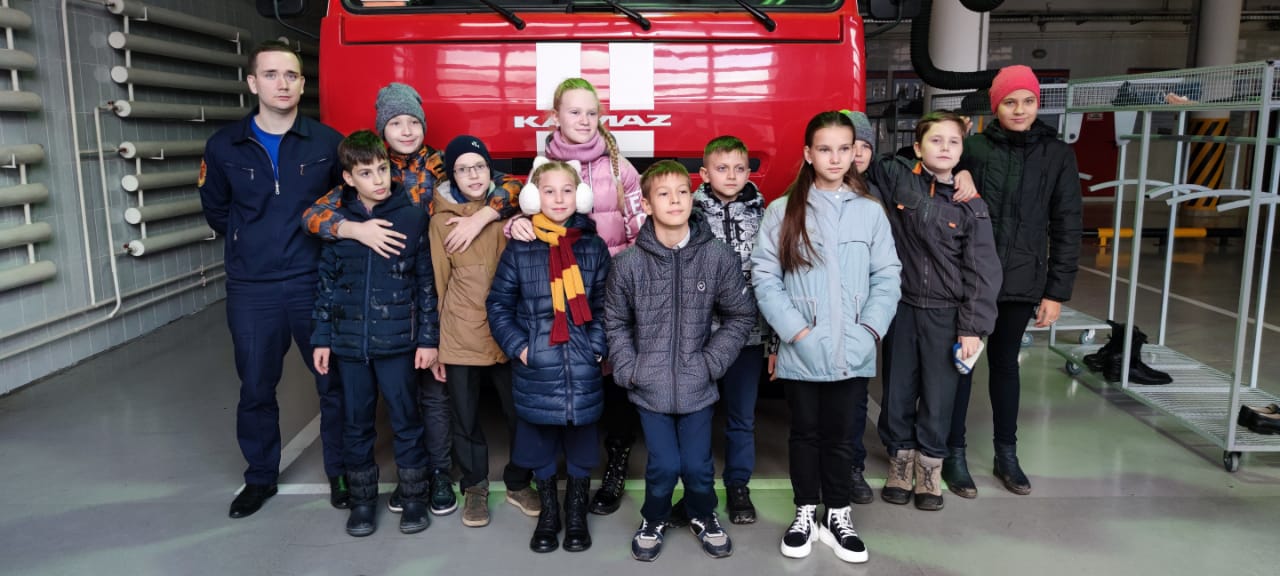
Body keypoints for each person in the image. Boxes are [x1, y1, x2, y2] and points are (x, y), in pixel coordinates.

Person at [301, 82, 525, 517]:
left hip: (436, 288)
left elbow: (510, 186)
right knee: (396, 402)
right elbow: (313, 215)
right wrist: (354, 229)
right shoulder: (372, 168)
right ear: (382, 130)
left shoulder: (443, 164)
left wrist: (483, 215)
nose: (406, 130)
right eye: (396, 123)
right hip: (390, 300)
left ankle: (439, 473)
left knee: (434, 395)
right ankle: (405, 480)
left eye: (413, 122)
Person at [199, 40, 346, 519]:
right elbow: (218, 210)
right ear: (252, 83)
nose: (282, 84)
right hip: (253, 287)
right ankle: (260, 476)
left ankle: (342, 472)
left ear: (302, 84)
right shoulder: (224, 146)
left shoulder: (327, 143)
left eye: (291, 75)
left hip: (314, 282)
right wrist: (253, 242)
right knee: (257, 386)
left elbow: (342, 206)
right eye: (271, 74)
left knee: (334, 383)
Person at [751, 111, 900, 565]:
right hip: (803, 349)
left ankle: (838, 515)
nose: (835, 158)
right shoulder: (782, 211)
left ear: (855, 153)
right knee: (805, 434)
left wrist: (869, 329)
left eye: (844, 149)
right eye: (825, 149)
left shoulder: (870, 212)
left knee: (843, 436)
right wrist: (796, 330)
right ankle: (805, 513)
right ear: (808, 154)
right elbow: (764, 277)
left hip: (853, 349)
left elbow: (887, 275)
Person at [605, 161, 756, 562]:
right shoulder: (628, 264)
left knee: (697, 466)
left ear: (692, 198)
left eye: (683, 192)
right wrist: (630, 369)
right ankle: (653, 518)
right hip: (649, 386)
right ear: (646, 204)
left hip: (697, 384)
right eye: (664, 193)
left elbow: (740, 315)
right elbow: (615, 322)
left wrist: (710, 363)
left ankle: (702, 514)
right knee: (664, 465)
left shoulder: (716, 257)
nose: (675, 200)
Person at [508, 77, 643, 516]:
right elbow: (527, 216)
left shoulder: (620, 169)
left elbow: (641, 232)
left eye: (591, 112)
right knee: (567, 390)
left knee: (616, 389)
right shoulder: (541, 168)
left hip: (611, 298)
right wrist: (513, 224)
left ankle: (616, 464)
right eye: (574, 112)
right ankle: (555, 481)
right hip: (557, 307)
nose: (584, 120)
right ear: (555, 116)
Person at [946, 65, 1082, 498]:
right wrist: (958, 172)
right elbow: (932, 170)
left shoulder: (1057, 155)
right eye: (1009, 101)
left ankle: (1007, 454)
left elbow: (1067, 223)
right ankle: (953, 453)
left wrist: (1056, 291)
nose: (1019, 109)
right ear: (995, 106)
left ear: (1038, 103)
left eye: (1027, 101)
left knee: (1005, 366)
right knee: (962, 365)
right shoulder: (973, 149)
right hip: (971, 281)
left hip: (1022, 279)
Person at [865, 111, 1001, 511]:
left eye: (953, 142)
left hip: (947, 314)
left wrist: (972, 327)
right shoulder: (900, 179)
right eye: (935, 140)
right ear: (918, 147)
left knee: (940, 397)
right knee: (898, 392)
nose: (944, 148)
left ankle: (929, 470)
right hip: (903, 309)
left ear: (962, 150)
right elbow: (871, 159)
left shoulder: (971, 205)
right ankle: (900, 464)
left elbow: (982, 271)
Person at [311, 130, 438, 537]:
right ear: (348, 178)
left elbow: (426, 284)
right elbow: (327, 284)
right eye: (366, 173)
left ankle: (414, 498)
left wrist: (428, 339)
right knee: (356, 424)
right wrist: (322, 336)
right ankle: (363, 502)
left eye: (382, 169)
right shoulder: (339, 224)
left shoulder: (412, 217)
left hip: (397, 343)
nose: (379, 179)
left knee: (406, 420)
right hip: (350, 345)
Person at [487, 159, 611, 553]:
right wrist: (521, 348)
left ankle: (575, 513)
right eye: (549, 191)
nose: (559, 199)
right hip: (537, 363)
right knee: (539, 443)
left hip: (581, 365)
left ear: (580, 196)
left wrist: (596, 347)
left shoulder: (593, 246)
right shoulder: (519, 247)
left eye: (567, 190)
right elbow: (498, 305)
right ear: (533, 197)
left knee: (581, 446)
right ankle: (549, 513)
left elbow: (607, 305)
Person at [429, 135, 540, 528]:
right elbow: (438, 285)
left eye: (479, 166)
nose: (473, 175)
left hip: (509, 333)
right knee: (465, 417)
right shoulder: (440, 222)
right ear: (452, 176)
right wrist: (438, 344)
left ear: (490, 170)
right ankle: (474, 486)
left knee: (520, 413)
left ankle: (518, 482)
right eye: (462, 169)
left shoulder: (512, 213)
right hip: (461, 333)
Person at [667, 135, 767, 525]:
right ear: (704, 174)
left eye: (740, 168)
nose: (731, 175)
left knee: (742, 417)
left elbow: (774, 277)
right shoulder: (688, 214)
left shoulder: (765, 215)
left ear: (749, 172)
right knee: (697, 416)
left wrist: (772, 340)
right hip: (699, 336)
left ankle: (738, 486)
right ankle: (698, 491)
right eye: (722, 168)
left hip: (748, 335)